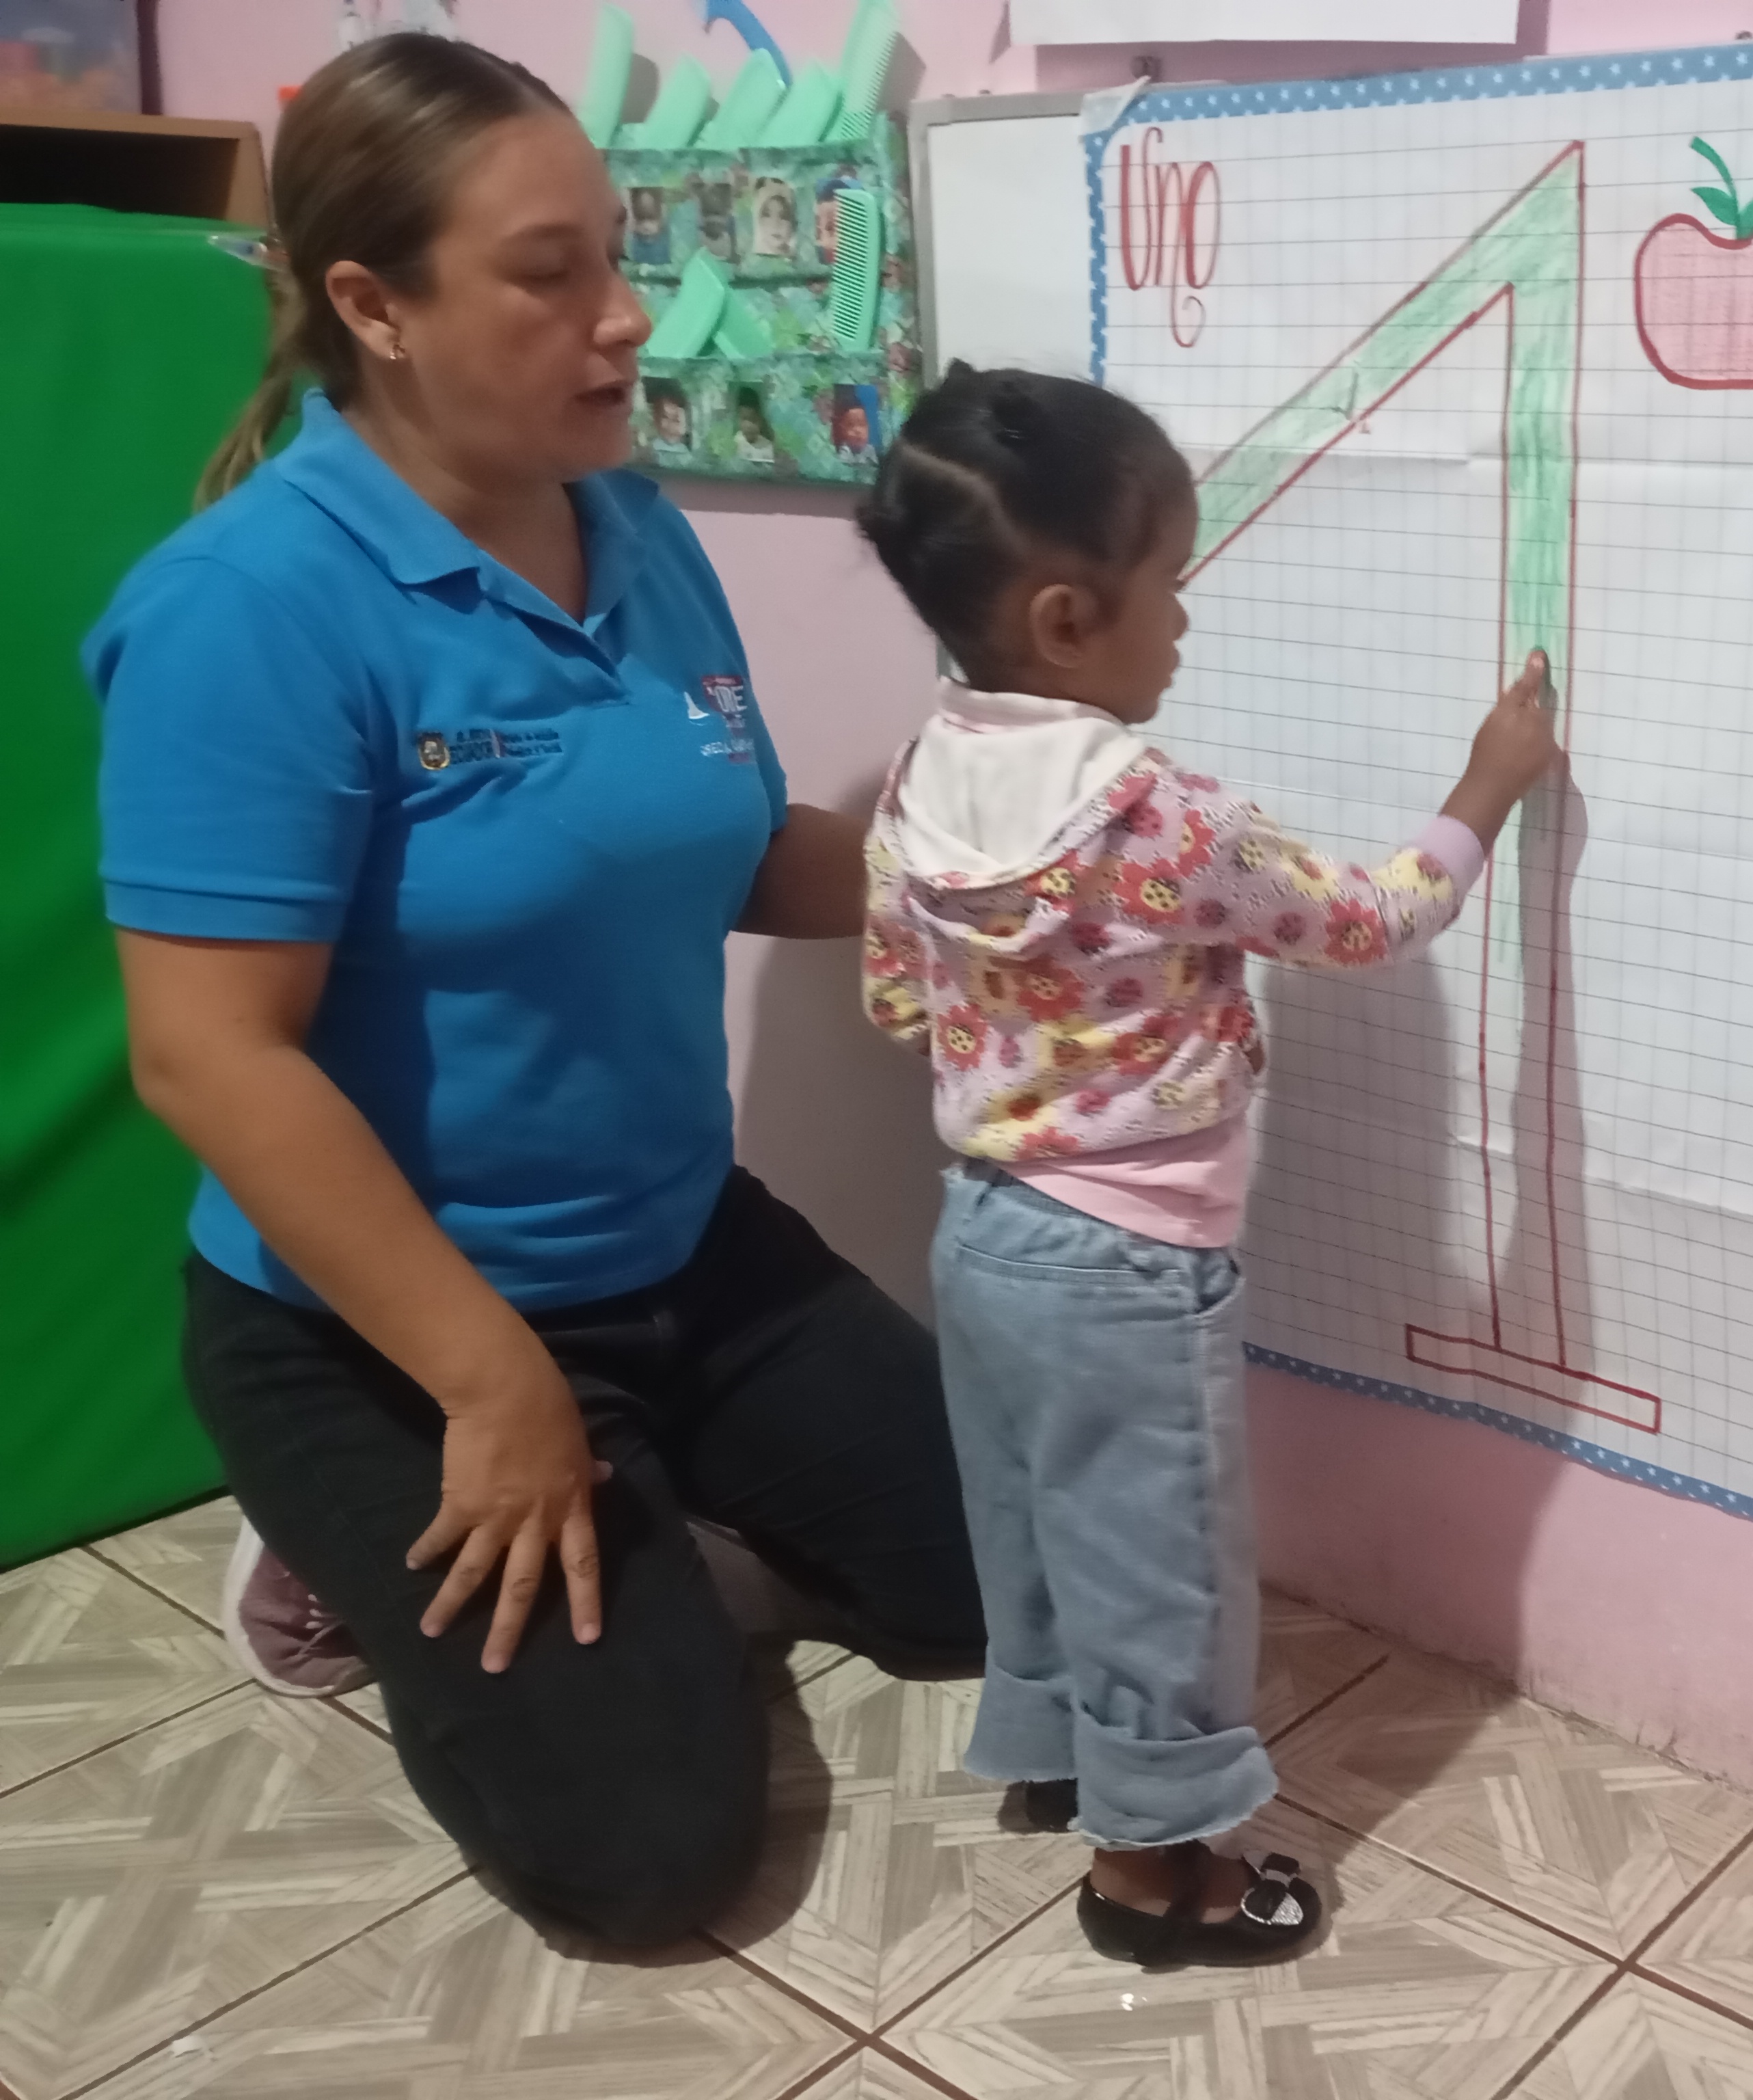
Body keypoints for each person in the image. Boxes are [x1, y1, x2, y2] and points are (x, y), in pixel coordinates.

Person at [86, 36, 982, 1949]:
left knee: (992, 1590)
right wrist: (493, 1385)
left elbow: (733, 848)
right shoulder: (249, 610)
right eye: (550, 272)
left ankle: (657, 1512)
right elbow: (208, 1055)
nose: (626, 315)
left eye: (619, 256)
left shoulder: (633, 526)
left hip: (684, 1255)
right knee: (641, 1856)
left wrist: (1000, 887)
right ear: (374, 308)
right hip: (397, 1325)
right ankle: (330, 1549)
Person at [855, 362, 1561, 1965]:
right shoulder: (1159, 824)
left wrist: (1019, 1045)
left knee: (1035, 1526)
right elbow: (1365, 923)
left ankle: (1057, 1755)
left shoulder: (919, 782)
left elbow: (898, 999)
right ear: (1064, 620)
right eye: (1169, 582)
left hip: (985, 1232)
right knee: (1159, 1571)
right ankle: (1152, 1876)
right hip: (1126, 1260)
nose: (1185, 619)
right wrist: (1485, 790)